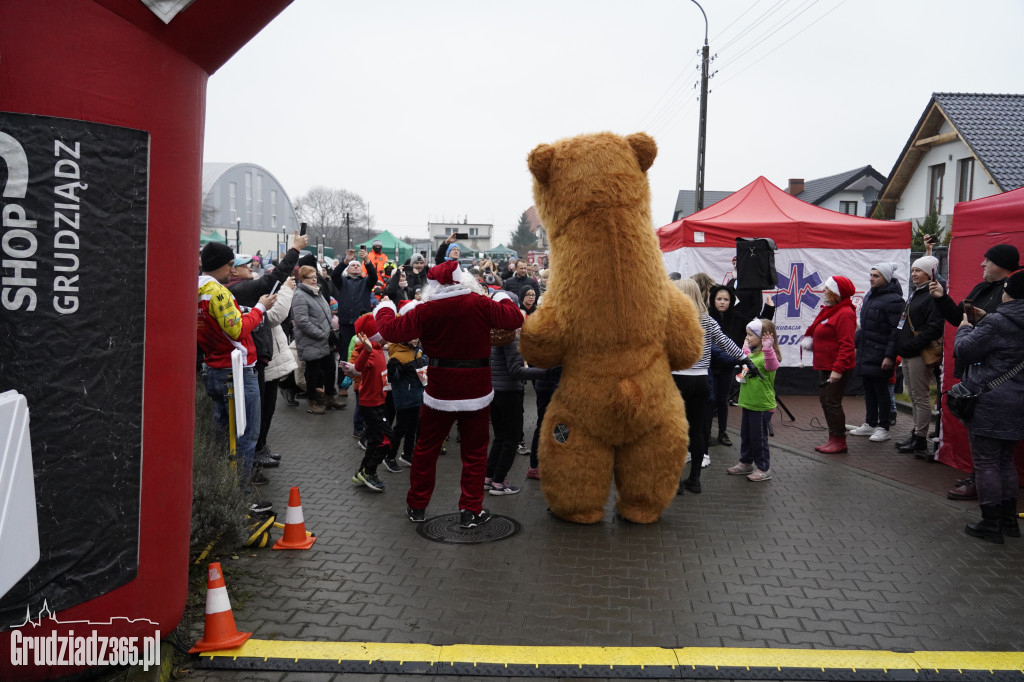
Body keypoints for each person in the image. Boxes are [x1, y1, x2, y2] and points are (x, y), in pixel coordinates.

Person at [373, 260, 524, 528]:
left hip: (440, 389)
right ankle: (470, 509)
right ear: (461, 280)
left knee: (426, 449)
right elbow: (513, 317)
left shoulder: (427, 309)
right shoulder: (480, 303)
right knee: (475, 452)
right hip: (476, 389)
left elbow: (390, 331)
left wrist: (385, 307)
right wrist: (499, 294)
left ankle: (417, 506)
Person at [930, 243, 1020, 500]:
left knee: (992, 451)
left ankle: (989, 504)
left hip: (996, 377)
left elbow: (1000, 329)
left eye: (987, 260)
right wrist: (941, 298)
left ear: (1001, 265)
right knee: (985, 447)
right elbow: (961, 319)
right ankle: (984, 485)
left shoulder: (1014, 293)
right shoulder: (982, 288)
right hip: (979, 374)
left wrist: (982, 322)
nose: (982, 264)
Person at [197, 241, 277, 504]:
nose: (233, 270)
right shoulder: (215, 290)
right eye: (231, 264)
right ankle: (238, 498)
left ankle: (223, 492)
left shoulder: (197, 288)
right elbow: (236, 330)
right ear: (220, 263)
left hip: (214, 368)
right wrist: (260, 308)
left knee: (223, 436)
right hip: (237, 371)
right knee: (245, 436)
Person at [952, 268, 1024, 543]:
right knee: (1006, 460)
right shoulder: (998, 321)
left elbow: (966, 350)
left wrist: (965, 329)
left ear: (1011, 293)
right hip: (1019, 400)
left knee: (986, 463)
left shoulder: (998, 321)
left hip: (992, 400)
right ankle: (1008, 522)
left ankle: (990, 524)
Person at [673, 279, 749, 494]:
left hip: (678, 380)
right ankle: (694, 480)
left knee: (675, 431)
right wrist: (745, 358)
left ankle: (675, 481)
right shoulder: (706, 320)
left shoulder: (672, 319)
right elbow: (725, 342)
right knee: (698, 430)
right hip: (702, 380)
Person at [486, 320, 553, 495]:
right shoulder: (510, 338)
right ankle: (499, 482)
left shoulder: (495, 336)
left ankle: (488, 477)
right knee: (511, 438)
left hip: (495, 391)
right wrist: (546, 373)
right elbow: (516, 370)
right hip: (509, 393)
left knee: (500, 437)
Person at [894, 256, 945, 456]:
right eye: (913, 270)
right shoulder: (916, 294)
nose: (914, 274)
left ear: (929, 273)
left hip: (918, 354)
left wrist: (913, 344)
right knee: (915, 396)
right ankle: (916, 433)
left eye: (918, 271)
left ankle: (920, 438)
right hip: (909, 352)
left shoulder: (932, 295)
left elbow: (934, 327)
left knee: (921, 396)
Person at [800, 276, 857, 454]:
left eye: (827, 289)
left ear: (836, 293)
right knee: (826, 401)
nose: (824, 292)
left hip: (835, 368)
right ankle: (833, 438)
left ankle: (839, 440)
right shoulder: (831, 311)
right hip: (825, 366)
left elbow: (847, 345)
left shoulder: (845, 313)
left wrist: (837, 370)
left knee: (832, 402)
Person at [849, 263, 904, 443]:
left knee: (882, 391)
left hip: (881, 354)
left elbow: (896, 331)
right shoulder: (870, 295)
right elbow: (866, 327)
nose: (871, 278)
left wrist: (889, 356)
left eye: (876, 276)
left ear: (886, 278)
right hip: (867, 352)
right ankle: (870, 423)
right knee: (869, 389)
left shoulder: (894, 300)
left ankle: (883, 427)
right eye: (871, 275)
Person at [726, 319, 780, 481]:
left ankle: (763, 468)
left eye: (751, 335)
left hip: (761, 405)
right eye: (747, 334)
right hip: (749, 403)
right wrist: (745, 351)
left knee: (758, 438)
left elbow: (772, 365)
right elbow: (744, 370)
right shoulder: (754, 355)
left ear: (763, 337)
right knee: (747, 435)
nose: (747, 337)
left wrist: (768, 349)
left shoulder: (768, 356)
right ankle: (745, 462)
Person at [350, 315, 394, 493]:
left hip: (379, 402)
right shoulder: (370, 351)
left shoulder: (379, 349)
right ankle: (369, 471)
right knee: (386, 439)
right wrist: (367, 349)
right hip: (370, 404)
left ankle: (362, 471)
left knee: (376, 440)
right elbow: (358, 367)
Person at [292, 265, 341, 414]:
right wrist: (321, 333)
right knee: (313, 372)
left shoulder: (317, 292)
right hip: (311, 340)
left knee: (330, 369)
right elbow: (302, 321)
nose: (314, 280)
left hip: (325, 340)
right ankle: (312, 402)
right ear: (302, 279)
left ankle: (329, 398)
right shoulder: (300, 295)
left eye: (315, 276)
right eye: (310, 277)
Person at [707, 283, 746, 445]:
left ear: (731, 301)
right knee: (710, 400)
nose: (722, 302)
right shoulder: (707, 317)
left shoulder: (737, 318)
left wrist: (769, 308)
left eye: (726, 299)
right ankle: (706, 432)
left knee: (722, 400)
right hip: (709, 366)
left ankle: (722, 432)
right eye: (719, 299)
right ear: (712, 300)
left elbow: (756, 324)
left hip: (727, 368)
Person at [330, 250, 378, 367]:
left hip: (362, 323)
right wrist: (346, 260)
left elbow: (373, 276)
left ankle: (361, 381)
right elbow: (334, 275)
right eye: (353, 265)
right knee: (345, 352)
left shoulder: (366, 282)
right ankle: (343, 382)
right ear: (347, 269)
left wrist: (366, 260)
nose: (356, 266)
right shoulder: (342, 282)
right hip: (346, 323)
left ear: (361, 269)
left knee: (363, 351)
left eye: (358, 265)